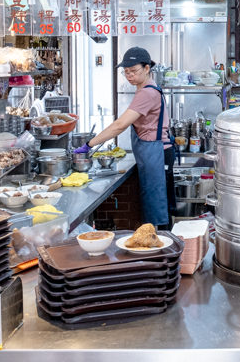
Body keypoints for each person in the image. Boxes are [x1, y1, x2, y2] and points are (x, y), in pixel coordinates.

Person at [74, 47, 174, 228]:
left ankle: (165, 251)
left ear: (146, 68)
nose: (129, 76)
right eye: (126, 72)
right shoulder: (146, 88)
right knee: (158, 206)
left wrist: (88, 145)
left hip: (157, 155)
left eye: (133, 71)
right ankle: (164, 249)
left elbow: (119, 125)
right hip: (154, 154)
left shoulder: (147, 92)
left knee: (158, 209)